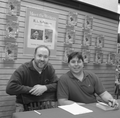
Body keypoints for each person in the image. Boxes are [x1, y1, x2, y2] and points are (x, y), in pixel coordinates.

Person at [6, 45, 58, 112]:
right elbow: (10, 88)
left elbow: (57, 84)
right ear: (34, 55)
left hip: (43, 102)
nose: (42, 59)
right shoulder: (23, 69)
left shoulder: (49, 68)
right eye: (39, 56)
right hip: (23, 104)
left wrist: (45, 87)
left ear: (48, 58)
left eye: (45, 57)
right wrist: (33, 90)